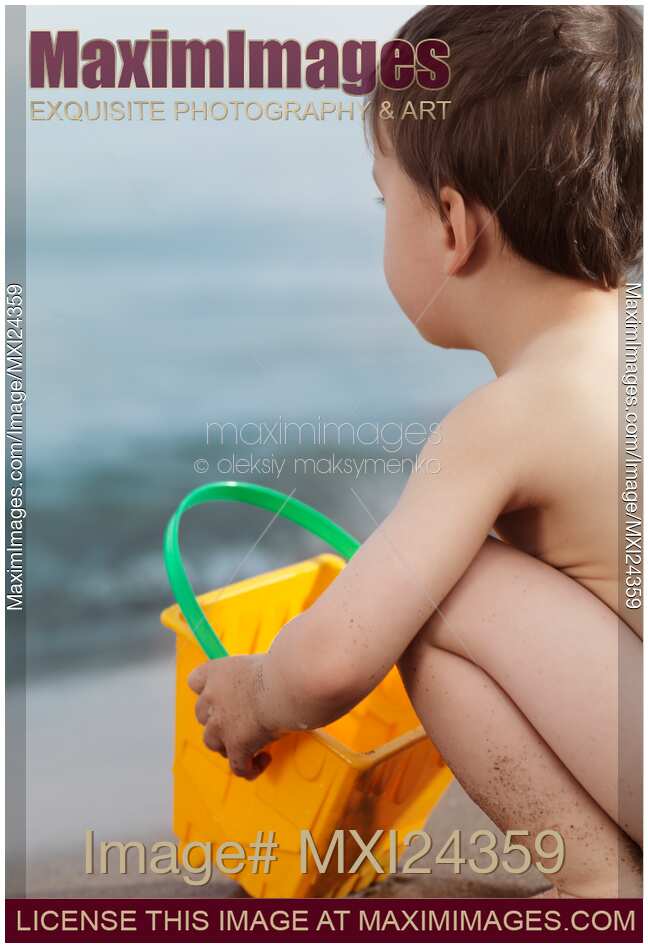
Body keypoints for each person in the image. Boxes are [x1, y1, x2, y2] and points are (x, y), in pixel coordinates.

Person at [188, 5, 643, 898]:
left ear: (451, 224)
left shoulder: (507, 419)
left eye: (382, 198)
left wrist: (258, 694)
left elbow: (338, 657)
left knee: (437, 589)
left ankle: (601, 889)